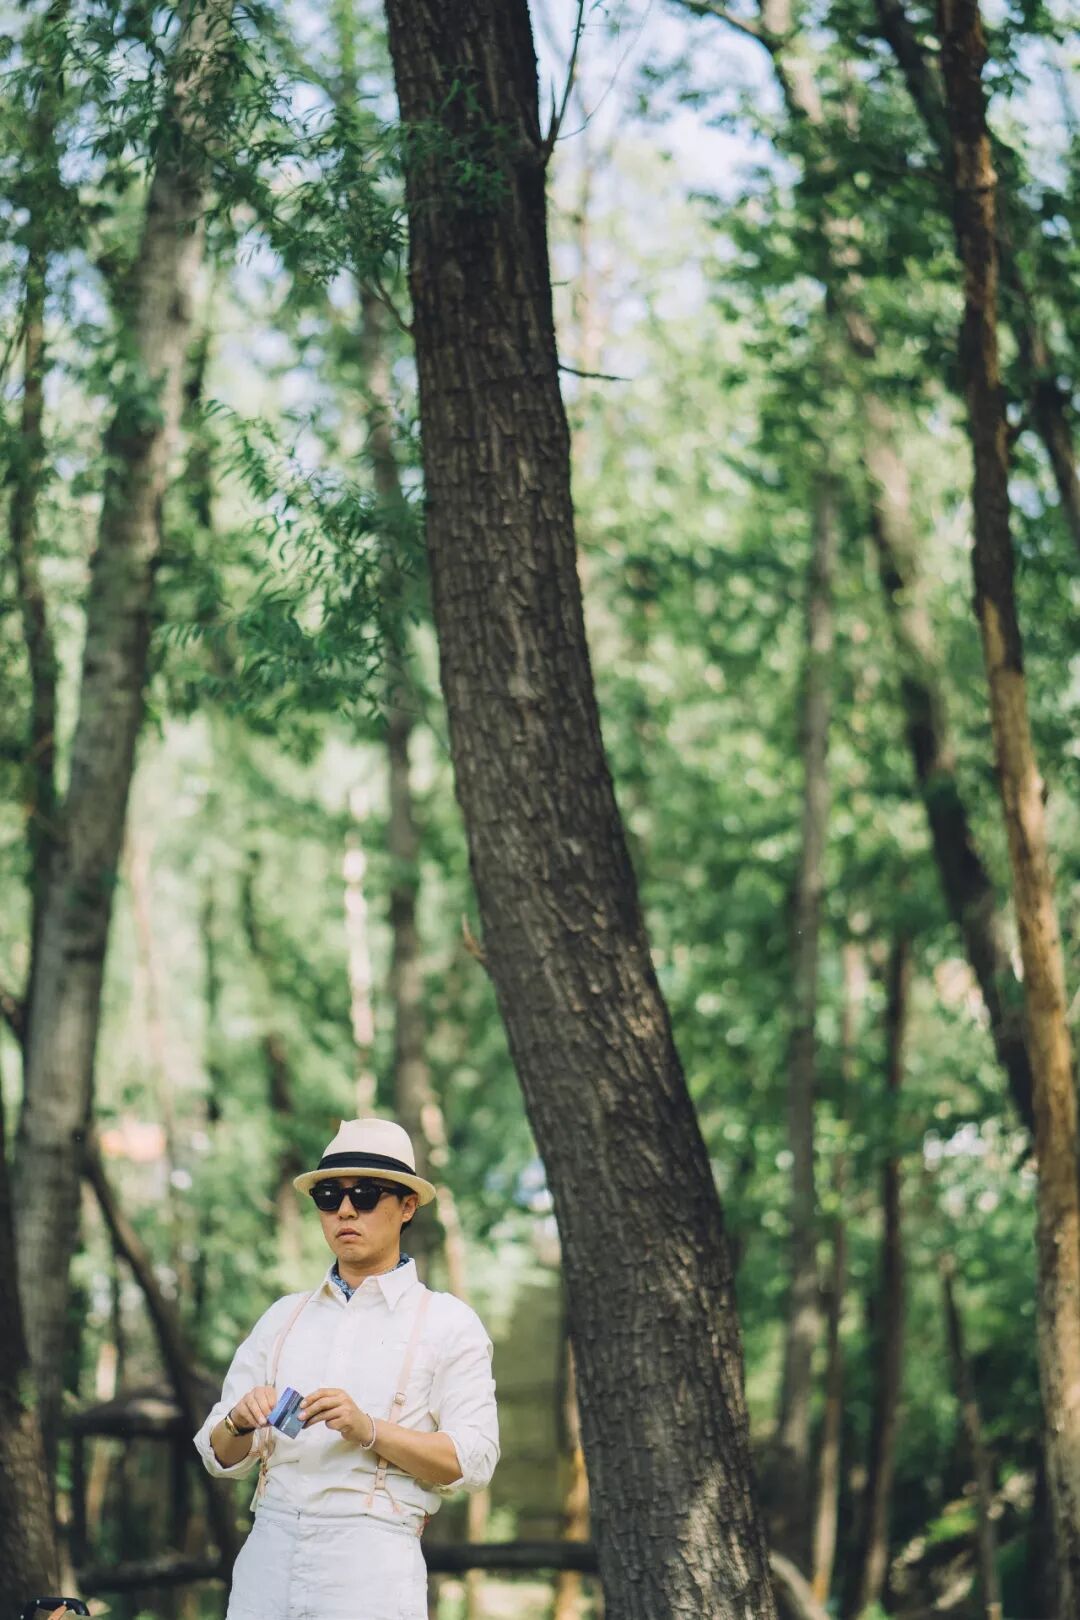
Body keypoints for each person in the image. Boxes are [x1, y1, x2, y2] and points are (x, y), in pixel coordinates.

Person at [194, 1117, 499, 1620]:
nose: (346, 1210)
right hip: (267, 1555)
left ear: (407, 1206)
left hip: (372, 1564)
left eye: (366, 1194)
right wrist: (238, 1421)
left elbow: (475, 1461)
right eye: (329, 1196)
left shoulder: (448, 1322)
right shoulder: (283, 1318)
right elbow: (218, 1455)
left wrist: (369, 1429)